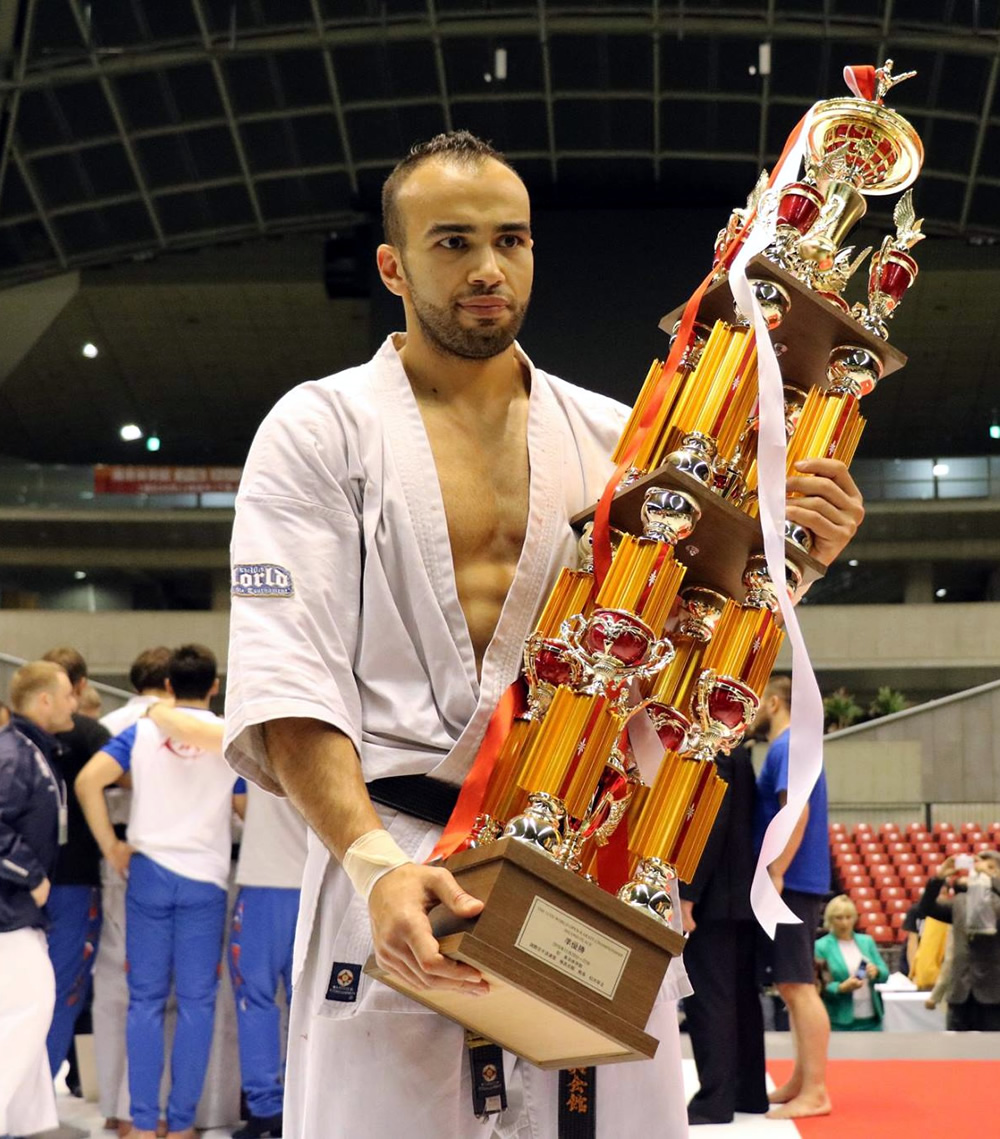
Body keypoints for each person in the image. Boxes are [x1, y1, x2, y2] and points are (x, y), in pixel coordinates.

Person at [223, 130, 865, 1139]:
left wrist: (783, 570)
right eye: (451, 242)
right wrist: (369, 862)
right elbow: (288, 673)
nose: (486, 267)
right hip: (396, 861)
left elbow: (681, 663)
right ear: (392, 265)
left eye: (510, 240)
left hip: (588, 858)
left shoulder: (623, 443)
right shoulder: (320, 430)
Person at [75, 644, 246, 1139]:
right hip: (206, 880)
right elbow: (246, 809)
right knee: (196, 1005)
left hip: (147, 875)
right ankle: (185, 1124)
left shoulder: (143, 731)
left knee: (144, 1003)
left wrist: (112, 845)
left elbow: (89, 783)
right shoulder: (227, 737)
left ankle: (144, 1123)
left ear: (168, 686)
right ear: (214, 686)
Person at [92, 646, 172, 1136]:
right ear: (170, 685)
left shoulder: (109, 723)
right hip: (159, 862)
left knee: (112, 989)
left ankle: (113, 1105)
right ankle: (139, 1111)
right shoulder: (171, 723)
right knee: (153, 994)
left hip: (115, 857)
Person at [0, 661, 77, 1138]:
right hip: (10, 910)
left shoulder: (30, 750)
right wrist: (31, 876)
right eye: (67, 693)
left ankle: (21, 1126)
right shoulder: (14, 754)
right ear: (44, 700)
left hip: (18, 910)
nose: (74, 701)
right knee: (31, 1005)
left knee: (23, 1010)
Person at [679, 745, 770, 1126]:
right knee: (741, 998)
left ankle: (715, 1099)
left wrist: (688, 893)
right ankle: (748, 1093)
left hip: (715, 894)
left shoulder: (713, 749)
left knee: (711, 998)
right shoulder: (739, 749)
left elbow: (708, 819)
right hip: (740, 891)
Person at [754, 675, 832, 1119]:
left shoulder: (786, 748)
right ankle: (804, 1080)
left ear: (775, 702)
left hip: (794, 878)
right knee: (791, 984)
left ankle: (816, 1090)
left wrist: (777, 871)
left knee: (798, 986)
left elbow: (794, 811)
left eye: (757, 701)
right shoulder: (793, 748)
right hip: (800, 877)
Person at [40, 646, 110, 1081]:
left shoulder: (15, 736)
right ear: (80, 687)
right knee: (65, 989)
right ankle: (33, 1099)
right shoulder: (90, 734)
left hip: (23, 883)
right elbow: (124, 776)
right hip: (74, 881)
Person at [229, 782, 307, 1139]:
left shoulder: (257, 736)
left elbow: (238, 800)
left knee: (254, 998)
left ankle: (266, 1110)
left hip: (266, 880)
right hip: (314, 886)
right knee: (305, 1004)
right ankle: (299, 1107)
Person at [915, 850, 1000, 1030]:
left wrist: (990, 879)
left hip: (993, 995)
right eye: (980, 866)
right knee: (957, 1053)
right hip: (960, 994)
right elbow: (926, 908)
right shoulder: (960, 901)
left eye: (991, 867)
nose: (983, 870)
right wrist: (938, 878)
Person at [813, 895, 889, 1030]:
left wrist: (876, 971)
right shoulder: (821, 946)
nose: (844, 923)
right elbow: (820, 983)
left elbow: (885, 972)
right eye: (839, 918)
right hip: (839, 1020)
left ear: (855, 918)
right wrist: (841, 988)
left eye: (848, 917)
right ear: (830, 920)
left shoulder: (867, 942)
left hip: (871, 1018)